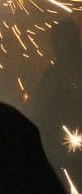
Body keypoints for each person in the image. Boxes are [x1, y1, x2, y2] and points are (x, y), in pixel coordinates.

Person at [31, 20, 81, 167]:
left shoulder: (55, 74)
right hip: (63, 150)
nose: (55, 46)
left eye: (60, 40)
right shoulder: (53, 74)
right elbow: (39, 110)